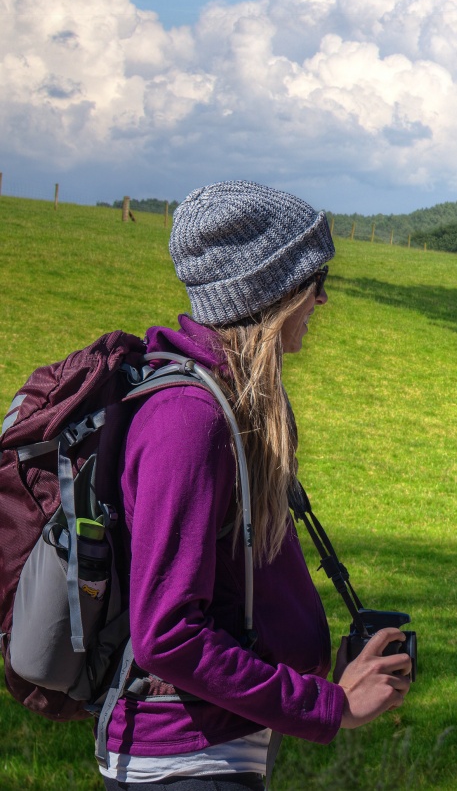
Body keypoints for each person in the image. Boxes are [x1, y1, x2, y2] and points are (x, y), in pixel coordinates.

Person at [99, 181, 412, 791]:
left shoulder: (232, 407)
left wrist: (324, 675)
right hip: (184, 765)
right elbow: (167, 636)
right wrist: (329, 707)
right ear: (273, 292)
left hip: (218, 755)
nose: (322, 302)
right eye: (316, 282)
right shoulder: (189, 420)